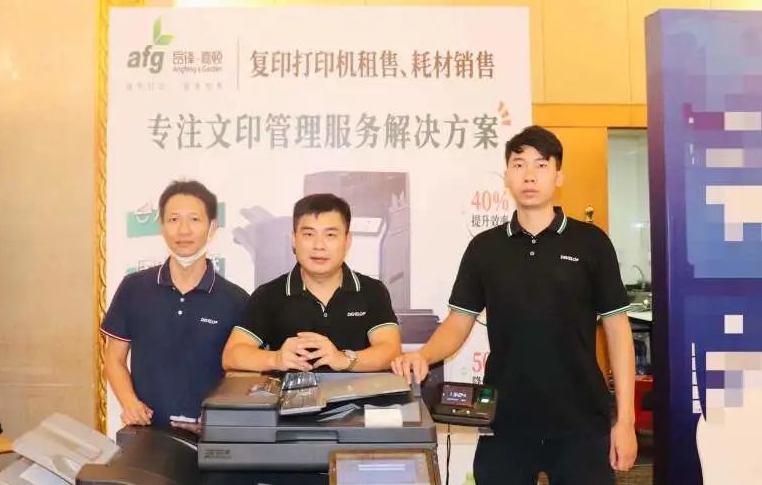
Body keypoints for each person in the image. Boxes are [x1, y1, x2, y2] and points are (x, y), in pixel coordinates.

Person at [391, 126, 637, 484]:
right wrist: (423, 355)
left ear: (558, 176)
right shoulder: (485, 248)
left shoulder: (591, 243)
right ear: (507, 176)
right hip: (505, 419)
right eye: (519, 165)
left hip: (582, 420)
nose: (529, 175)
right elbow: (458, 322)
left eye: (541, 165)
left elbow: (618, 331)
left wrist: (625, 421)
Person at [101, 180, 248, 430]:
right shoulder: (134, 287)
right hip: (145, 433)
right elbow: (113, 358)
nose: (183, 230)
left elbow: (242, 374)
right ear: (161, 226)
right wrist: (130, 403)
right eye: (173, 219)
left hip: (211, 437)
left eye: (194, 219)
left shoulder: (235, 299)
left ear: (212, 227)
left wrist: (219, 418)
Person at [222, 193, 401, 373]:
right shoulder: (269, 295)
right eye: (308, 234)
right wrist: (276, 359)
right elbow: (232, 355)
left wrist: (343, 359)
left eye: (330, 235)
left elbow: (391, 351)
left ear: (347, 241)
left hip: (359, 391)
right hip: (292, 391)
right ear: (294, 239)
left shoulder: (372, 291)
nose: (319, 246)